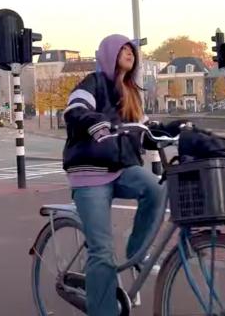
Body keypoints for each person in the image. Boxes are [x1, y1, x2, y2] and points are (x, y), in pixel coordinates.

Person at [62, 34, 162, 316]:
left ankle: (136, 252)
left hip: (120, 169)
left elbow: (146, 133)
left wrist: (177, 133)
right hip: (90, 174)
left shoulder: (130, 92)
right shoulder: (92, 83)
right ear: (109, 53)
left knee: (156, 188)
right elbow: (75, 110)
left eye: (133, 49)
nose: (130, 52)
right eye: (124, 48)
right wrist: (94, 121)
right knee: (102, 251)